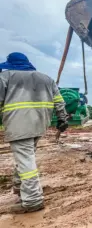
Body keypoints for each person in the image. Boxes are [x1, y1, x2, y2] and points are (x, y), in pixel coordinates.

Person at [0, 52, 68, 213]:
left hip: (19, 124)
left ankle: (32, 200)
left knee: (26, 161)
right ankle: (19, 187)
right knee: (25, 158)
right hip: (40, 124)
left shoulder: (6, 76)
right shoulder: (46, 79)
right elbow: (59, 101)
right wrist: (62, 119)